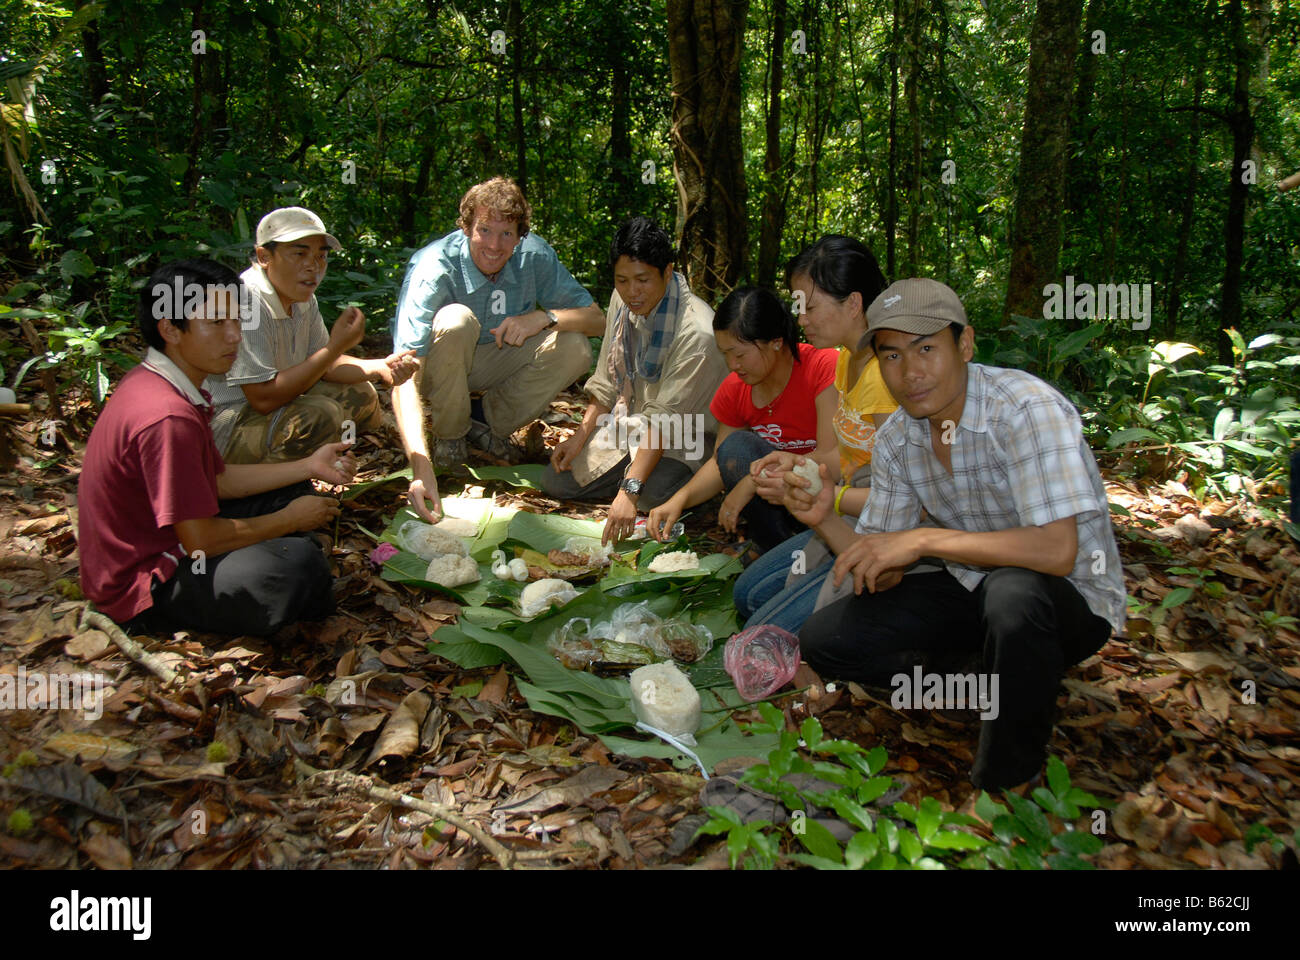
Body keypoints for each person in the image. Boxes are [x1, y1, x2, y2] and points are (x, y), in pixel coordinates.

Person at [788, 278, 1126, 790]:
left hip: (1065, 602)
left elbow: (1056, 551)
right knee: (826, 640)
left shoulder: (1027, 410)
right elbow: (879, 570)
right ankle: (984, 676)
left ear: (964, 344)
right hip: (972, 587)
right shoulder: (900, 436)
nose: (911, 373)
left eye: (926, 349)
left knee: (1014, 593)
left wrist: (924, 540)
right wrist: (824, 519)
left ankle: (1005, 782)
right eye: (893, 356)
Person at [78, 259, 357, 638]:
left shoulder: (166, 383)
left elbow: (216, 480)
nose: (234, 336)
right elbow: (201, 539)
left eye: (236, 321)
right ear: (170, 329)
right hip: (146, 579)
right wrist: (290, 520)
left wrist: (309, 465)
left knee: (291, 490)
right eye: (216, 323)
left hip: (172, 535)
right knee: (297, 564)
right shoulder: (167, 416)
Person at [391, 177, 605, 522]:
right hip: (438, 365)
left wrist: (544, 317)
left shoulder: (533, 255)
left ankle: (486, 423)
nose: (495, 245)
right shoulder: (434, 267)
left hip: (495, 358)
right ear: (465, 227)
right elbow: (403, 372)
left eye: (507, 234)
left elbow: (597, 320)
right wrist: (420, 464)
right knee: (455, 320)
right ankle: (449, 439)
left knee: (575, 345)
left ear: (521, 236)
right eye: (485, 230)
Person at [731, 236, 896, 632]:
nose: (800, 318)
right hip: (846, 512)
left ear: (853, 303)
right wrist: (797, 464)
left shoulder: (889, 376)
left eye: (809, 305)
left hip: (884, 529)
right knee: (747, 595)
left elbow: (902, 497)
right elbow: (849, 455)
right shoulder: (846, 362)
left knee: (769, 627)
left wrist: (826, 499)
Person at [541, 217, 727, 543]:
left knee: (652, 495)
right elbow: (606, 379)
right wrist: (580, 436)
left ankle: (689, 491)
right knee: (556, 482)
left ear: (667, 272)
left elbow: (665, 423)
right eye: (622, 280)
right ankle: (631, 479)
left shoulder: (696, 333)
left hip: (686, 438)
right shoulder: (621, 300)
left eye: (642, 280)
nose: (632, 292)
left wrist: (630, 490)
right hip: (632, 426)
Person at [207, 207, 418, 463]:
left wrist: (381, 367)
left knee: (361, 393)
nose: (313, 266)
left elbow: (324, 365)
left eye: (321, 256)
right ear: (264, 256)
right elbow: (262, 398)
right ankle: (276, 490)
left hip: (272, 406)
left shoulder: (302, 297)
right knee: (321, 415)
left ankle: (336, 455)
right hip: (226, 426)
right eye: (299, 254)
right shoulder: (247, 302)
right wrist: (336, 346)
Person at [646, 287, 838, 553]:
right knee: (737, 447)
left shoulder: (823, 368)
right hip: (778, 511)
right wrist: (679, 499)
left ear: (776, 341)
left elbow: (833, 458)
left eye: (739, 354)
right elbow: (722, 460)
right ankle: (773, 546)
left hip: (825, 501)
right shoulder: (736, 388)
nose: (732, 364)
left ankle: (805, 548)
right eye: (725, 354)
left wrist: (751, 482)